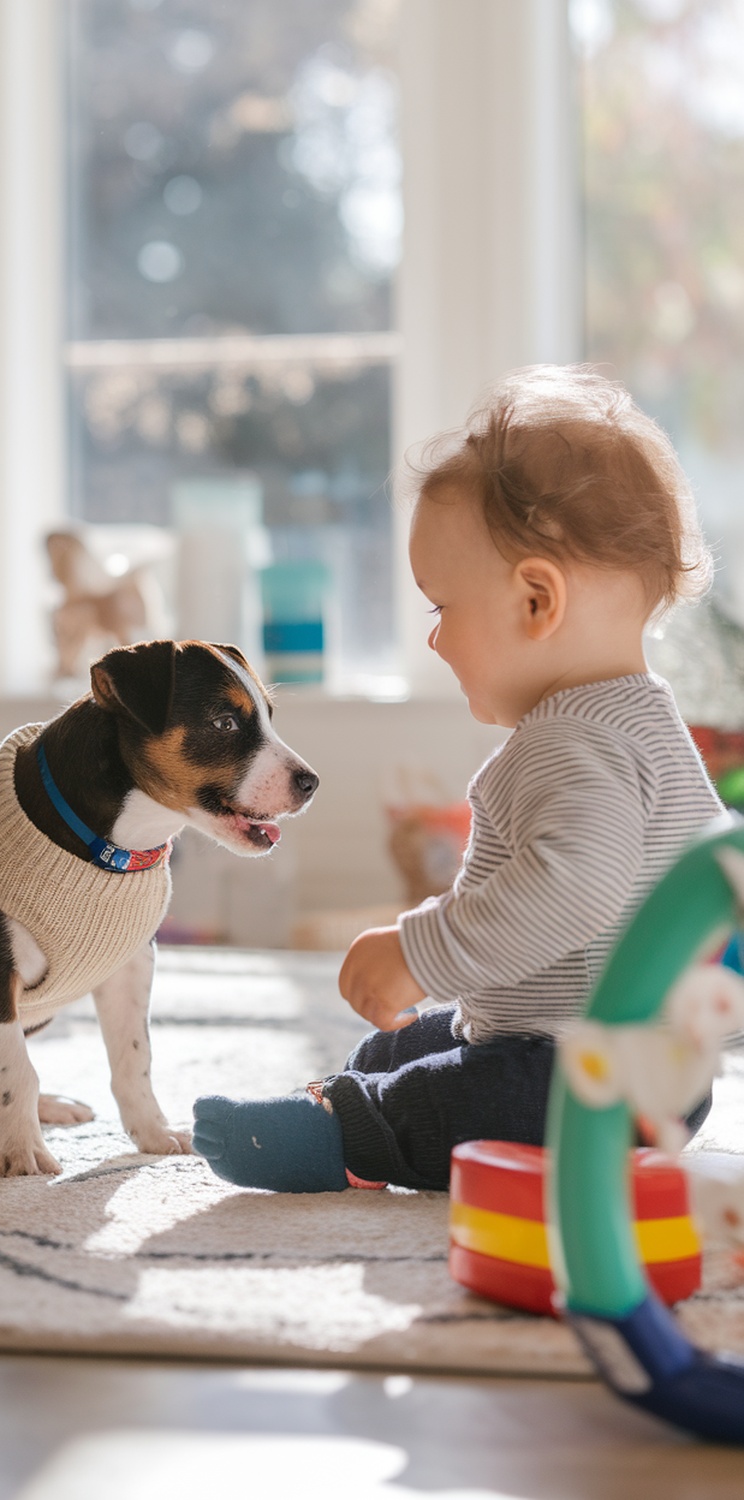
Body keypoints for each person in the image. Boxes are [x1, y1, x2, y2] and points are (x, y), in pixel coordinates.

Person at [193, 364, 729, 1193]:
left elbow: (569, 890)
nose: (436, 641)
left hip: (596, 1082)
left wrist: (420, 947)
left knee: (465, 1092)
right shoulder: (640, 718)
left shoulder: (575, 741)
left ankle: (349, 1135)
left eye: (443, 609)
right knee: (415, 1042)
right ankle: (354, 1097)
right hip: (613, 1056)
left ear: (536, 601)